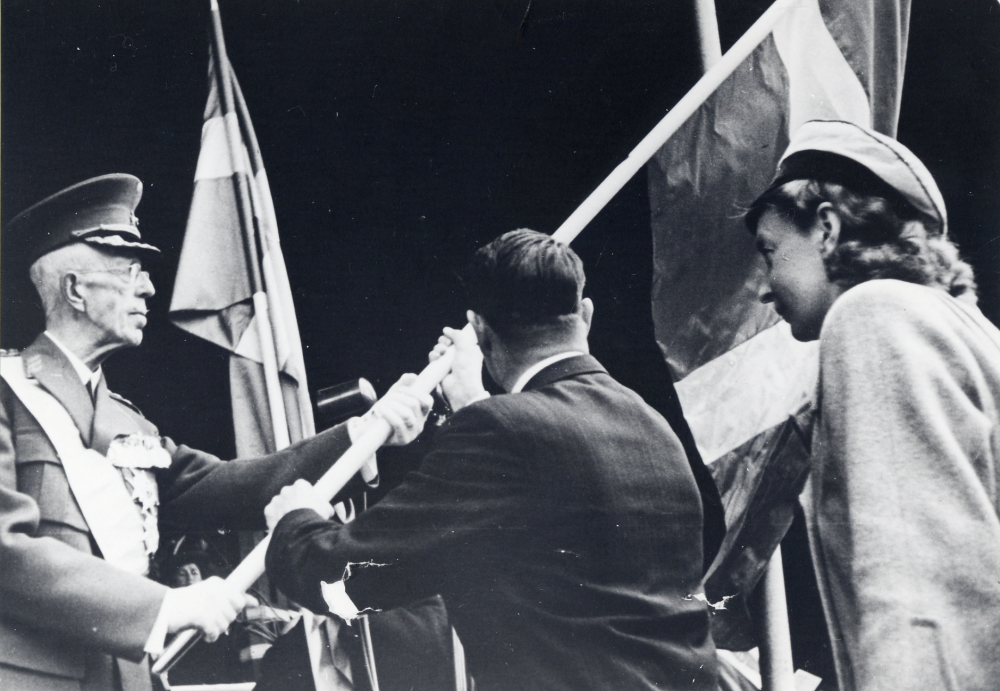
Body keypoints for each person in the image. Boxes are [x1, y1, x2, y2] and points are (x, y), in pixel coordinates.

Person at [0, 174, 431, 691]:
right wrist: (168, 605)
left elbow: (231, 486)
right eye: (129, 271)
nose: (149, 287)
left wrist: (365, 433)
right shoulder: (10, 393)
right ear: (75, 289)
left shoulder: (127, 422)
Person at [263, 229, 718, 691]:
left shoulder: (500, 432)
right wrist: (475, 404)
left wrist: (295, 523)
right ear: (585, 313)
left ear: (479, 329)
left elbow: (350, 580)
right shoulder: (653, 427)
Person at [745, 120, 1000, 691]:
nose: (763, 287)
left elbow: (917, 592)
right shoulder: (965, 329)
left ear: (829, 229)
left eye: (770, 251)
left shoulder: (872, 317)